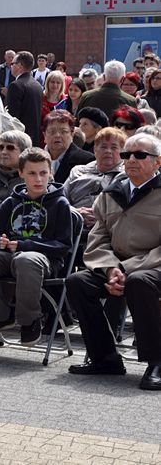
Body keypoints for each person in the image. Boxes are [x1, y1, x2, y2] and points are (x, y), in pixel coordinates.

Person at [66, 134, 161, 390]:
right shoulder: (111, 194)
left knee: (139, 282)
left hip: (153, 267)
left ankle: (157, 362)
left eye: (140, 155)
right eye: (127, 155)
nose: (131, 160)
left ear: (158, 162)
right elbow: (98, 238)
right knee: (77, 282)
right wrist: (110, 269)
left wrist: (124, 269)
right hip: (115, 267)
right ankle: (105, 358)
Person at [0, 148, 73, 346]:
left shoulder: (60, 203)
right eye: (32, 173)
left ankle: (30, 320)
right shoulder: (11, 202)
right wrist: (0, 242)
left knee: (26, 258)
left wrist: (25, 245)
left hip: (43, 259)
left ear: (50, 173)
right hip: (10, 256)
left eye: (43, 173)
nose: (38, 179)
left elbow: (63, 246)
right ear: (21, 173)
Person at [63, 127, 125, 228]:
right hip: (73, 225)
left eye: (114, 148)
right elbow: (61, 200)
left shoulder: (126, 176)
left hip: (109, 229)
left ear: (122, 152)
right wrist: (76, 212)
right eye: (103, 147)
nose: (108, 151)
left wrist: (102, 217)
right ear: (95, 149)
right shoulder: (78, 171)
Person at [43, 110, 94, 184]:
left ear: (72, 134)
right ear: (44, 135)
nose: (57, 135)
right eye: (52, 131)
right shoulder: (33, 159)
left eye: (63, 131)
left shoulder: (87, 161)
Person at [7, 51, 44, 147]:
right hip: (34, 138)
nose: (11, 66)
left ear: (19, 65)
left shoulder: (15, 85)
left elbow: (12, 118)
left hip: (19, 141)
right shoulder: (37, 85)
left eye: (12, 63)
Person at [41, 70, 67, 140]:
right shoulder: (40, 98)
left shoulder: (66, 101)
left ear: (62, 85)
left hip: (60, 138)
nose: (55, 85)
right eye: (52, 82)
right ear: (47, 83)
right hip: (42, 136)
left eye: (58, 83)